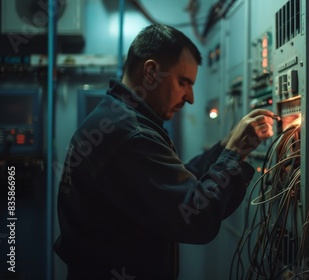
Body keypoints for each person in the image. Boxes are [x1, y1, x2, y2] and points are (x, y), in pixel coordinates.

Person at [54, 24, 275, 279]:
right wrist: (236, 152)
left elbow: (171, 188)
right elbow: (195, 217)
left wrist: (224, 149)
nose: (190, 97)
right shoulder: (129, 134)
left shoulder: (118, 119)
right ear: (151, 72)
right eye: (184, 82)